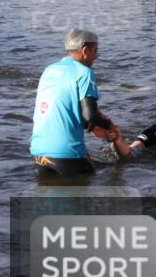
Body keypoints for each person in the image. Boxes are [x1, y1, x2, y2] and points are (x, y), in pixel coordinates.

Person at [29, 30, 123, 175]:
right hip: (67, 154)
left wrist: (92, 127)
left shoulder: (49, 70)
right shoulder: (84, 73)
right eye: (95, 51)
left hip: (39, 154)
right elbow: (90, 115)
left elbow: (64, 108)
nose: (96, 57)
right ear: (85, 51)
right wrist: (109, 126)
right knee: (115, 170)